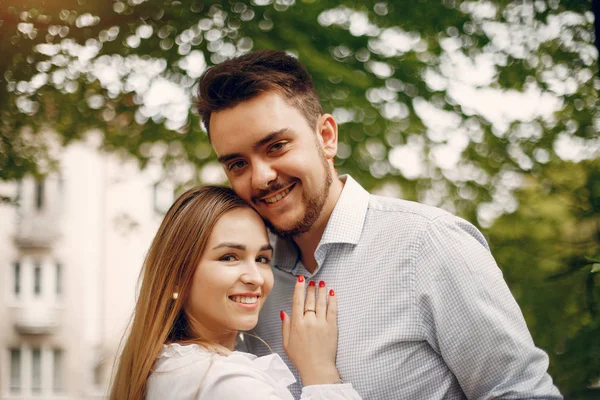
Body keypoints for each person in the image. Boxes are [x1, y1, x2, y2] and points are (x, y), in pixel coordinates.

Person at [196, 50, 563, 399]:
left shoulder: (429, 243)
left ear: (326, 137)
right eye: (237, 164)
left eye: (275, 146)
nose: (261, 177)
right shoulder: (252, 281)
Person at [109, 186, 362, 399]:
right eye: (229, 257)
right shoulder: (227, 382)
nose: (255, 278)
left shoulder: (164, 368)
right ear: (177, 276)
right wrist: (320, 374)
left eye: (262, 259)